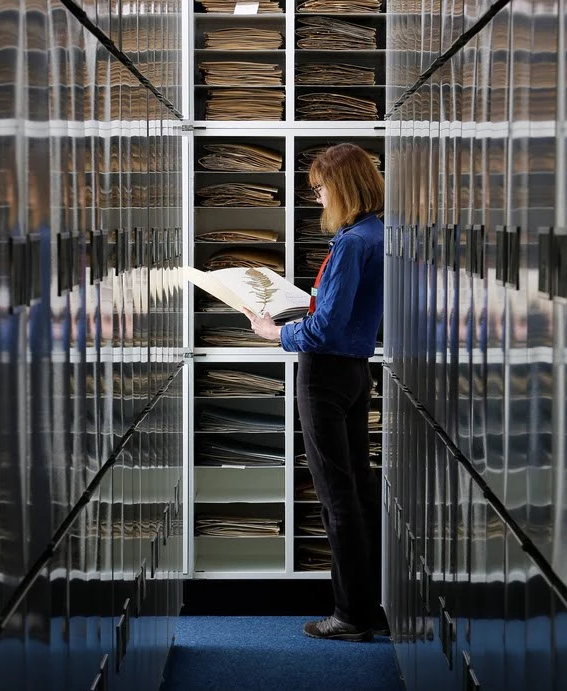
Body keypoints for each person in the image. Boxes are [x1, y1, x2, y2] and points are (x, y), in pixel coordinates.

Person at [241, 143, 388, 642]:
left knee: (335, 496)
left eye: (322, 189)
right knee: (359, 491)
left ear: (342, 188)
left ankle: (348, 616)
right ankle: (367, 608)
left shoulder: (351, 243)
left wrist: (273, 333)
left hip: (325, 374)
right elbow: (339, 312)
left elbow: (323, 331)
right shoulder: (375, 233)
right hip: (355, 372)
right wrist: (306, 304)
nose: (319, 198)